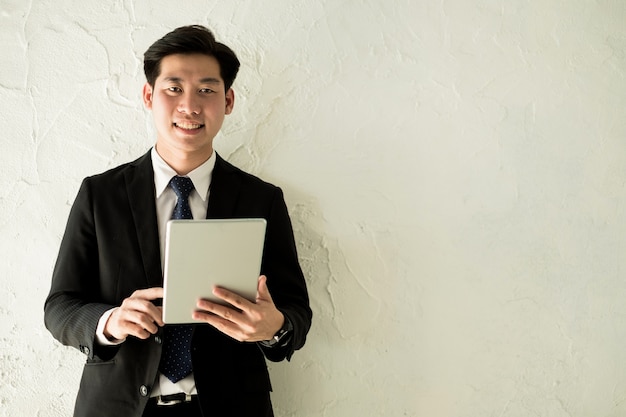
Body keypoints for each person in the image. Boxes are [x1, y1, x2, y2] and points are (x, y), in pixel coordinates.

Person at [44, 25, 312, 417]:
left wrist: (273, 328)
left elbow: (296, 313)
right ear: (149, 96)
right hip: (119, 407)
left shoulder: (262, 199)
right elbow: (59, 307)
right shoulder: (100, 195)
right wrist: (111, 321)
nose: (190, 106)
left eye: (206, 90)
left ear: (229, 100)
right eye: (174, 89)